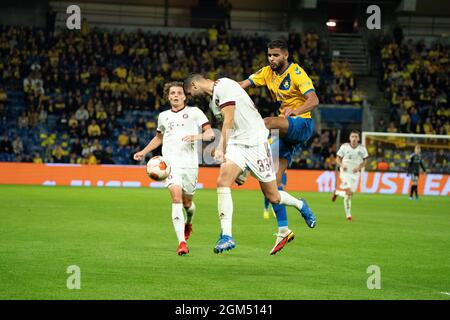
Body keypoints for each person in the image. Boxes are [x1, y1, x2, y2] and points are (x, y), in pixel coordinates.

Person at [184, 74, 316, 255]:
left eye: (189, 93)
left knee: (273, 197)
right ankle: (227, 236)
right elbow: (230, 126)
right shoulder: (213, 102)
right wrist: (227, 152)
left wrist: (221, 148)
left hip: (256, 142)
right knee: (222, 182)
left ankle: (301, 205)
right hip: (238, 144)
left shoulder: (224, 85)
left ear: (194, 85)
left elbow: (229, 120)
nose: (191, 96)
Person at [239, 39, 319, 244]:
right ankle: (288, 223)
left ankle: (245, 165)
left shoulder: (296, 73)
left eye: (275, 55)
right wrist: (218, 89)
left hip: (301, 124)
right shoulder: (267, 72)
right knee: (271, 184)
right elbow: (242, 86)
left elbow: (314, 100)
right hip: (285, 134)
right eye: (269, 55)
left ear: (285, 55)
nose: (271, 58)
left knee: (265, 122)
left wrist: (296, 111)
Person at [133, 82, 214, 256]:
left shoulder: (195, 113)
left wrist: (197, 136)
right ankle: (181, 243)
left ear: (185, 96)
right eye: (172, 93)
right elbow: (159, 137)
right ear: (168, 97)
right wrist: (143, 151)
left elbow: (210, 134)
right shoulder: (163, 116)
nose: (175, 95)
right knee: (176, 197)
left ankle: (189, 222)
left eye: (179, 93)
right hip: (170, 165)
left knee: (187, 203)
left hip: (190, 165)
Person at [332, 130, 368, 221]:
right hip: (345, 173)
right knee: (348, 192)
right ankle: (348, 216)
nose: (354, 138)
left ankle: (337, 192)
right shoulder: (344, 147)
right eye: (352, 136)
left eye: (356, 137)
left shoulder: (362, 148)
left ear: (359, 138)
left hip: (355, 174)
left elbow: (365, 161)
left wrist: (359, 168)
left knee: (350, 195)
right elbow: (337, 159)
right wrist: (341, 165)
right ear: (349, 138)